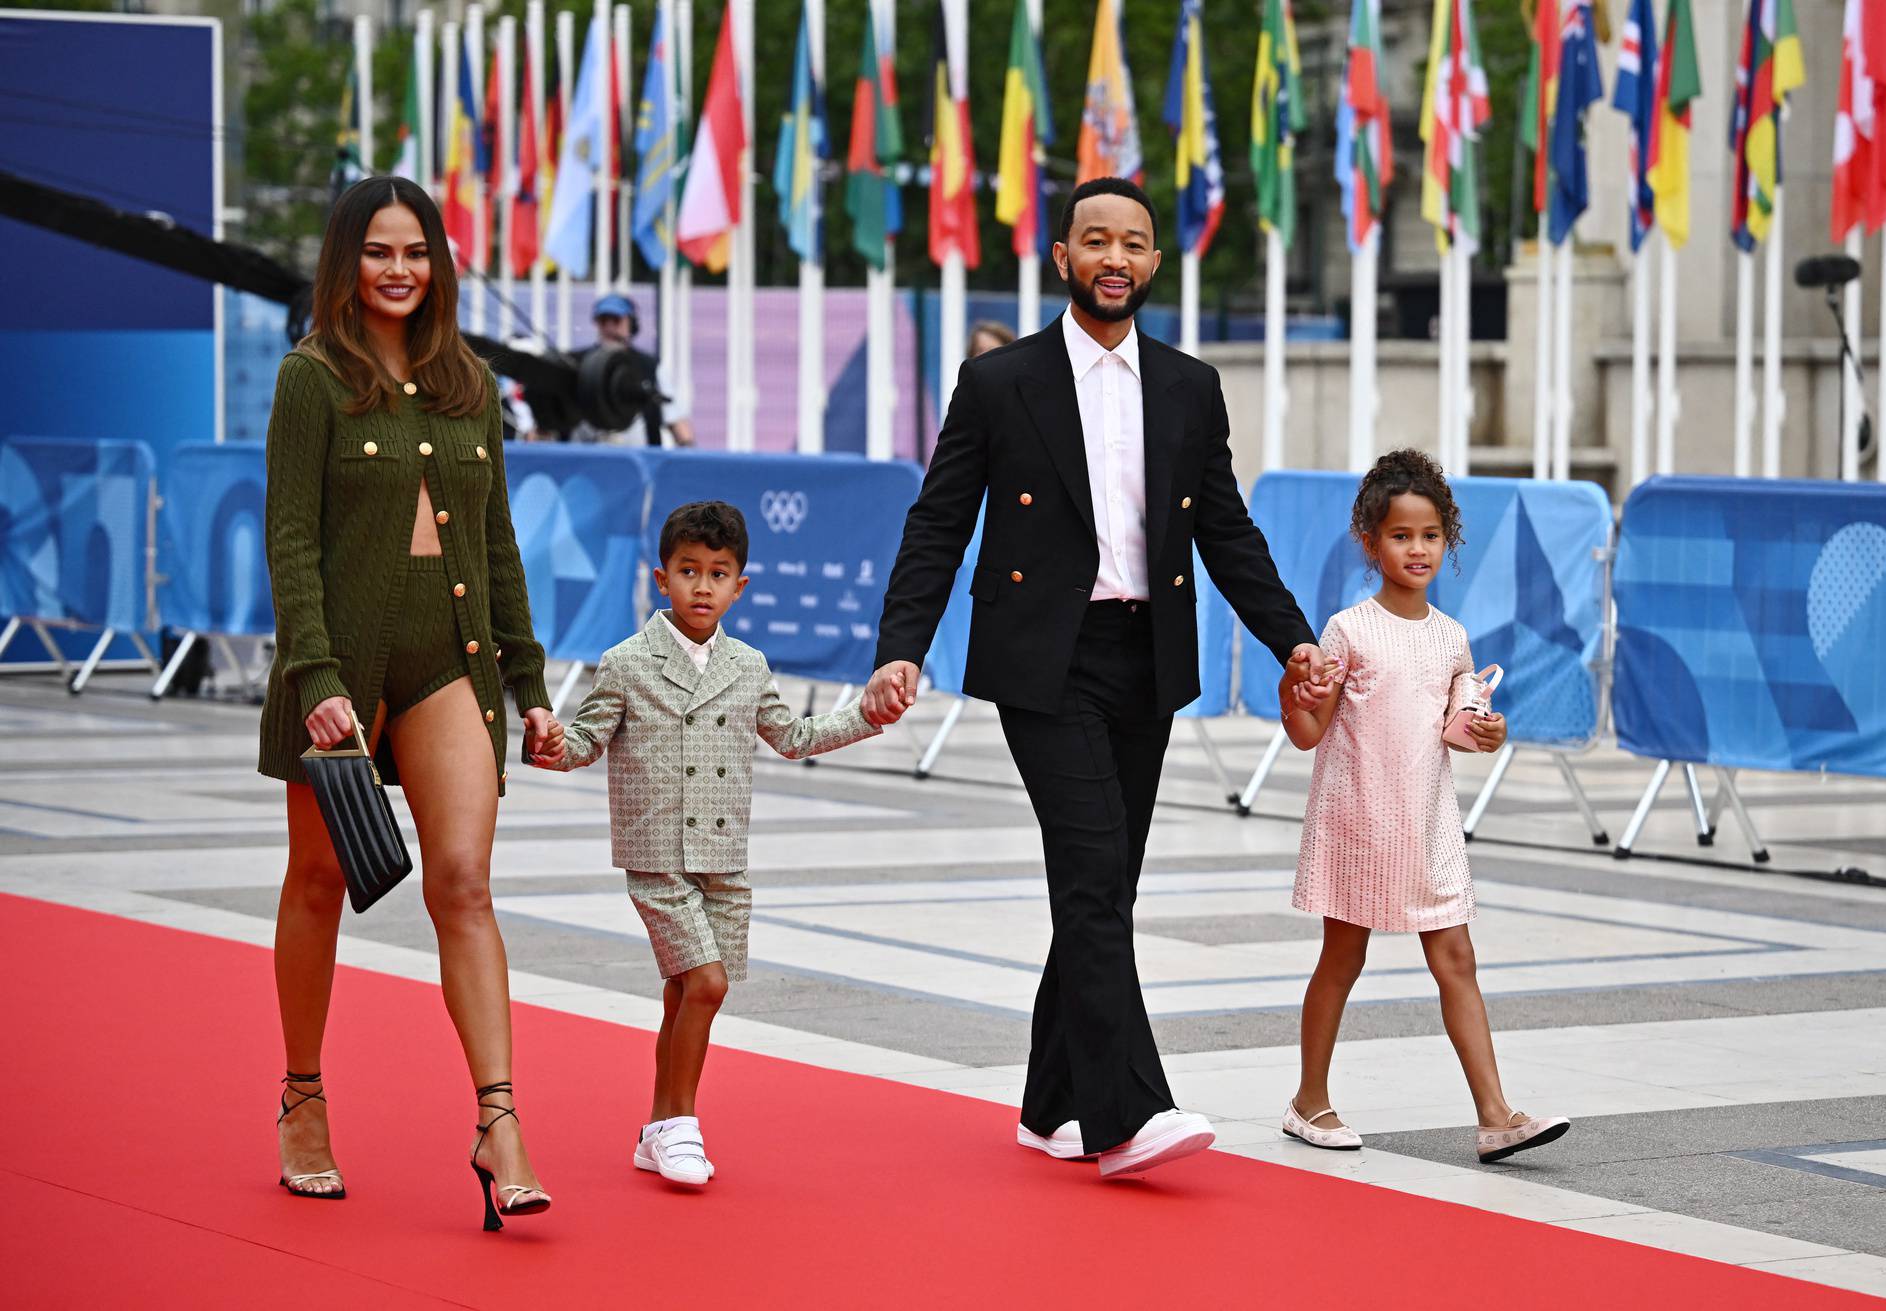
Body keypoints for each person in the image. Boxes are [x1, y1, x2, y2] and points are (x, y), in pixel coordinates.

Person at [862, 177, 1336, 1179]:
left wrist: (1289, 637)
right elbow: (939, 519)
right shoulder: (1003, 384)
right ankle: (1127, 1113)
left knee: (1103, 885)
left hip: (1146, 658)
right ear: (1064, 257)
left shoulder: (1188, 386)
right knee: (1089, 876)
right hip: (1045, 659)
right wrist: (901, 644)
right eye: (1095, 240)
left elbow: (1227, 529)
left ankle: (1048, 1104)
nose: (1114, 258)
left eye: (1133, 242)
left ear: (1155, 263)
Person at [259, 175, 565, 1229]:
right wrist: (316, 677)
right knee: (316, 881)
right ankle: (303, 1096)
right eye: (380, 252)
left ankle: (499, 1122)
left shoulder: (467, 381)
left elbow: (498, 544)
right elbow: (291, 537)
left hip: (451, 664)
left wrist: (526, 686)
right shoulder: (311, 380)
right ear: (346, 263)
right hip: (339, 671)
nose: (400, 270)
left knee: (466, 886)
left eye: (418, 253)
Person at [536, 501, 884, 1187]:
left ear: (740, 587)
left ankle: (655, 1128)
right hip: (658, 855)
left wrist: (867, 713)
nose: (702, 586)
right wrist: (550, 743)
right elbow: (584, 740)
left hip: (724, 860)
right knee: (707, 981)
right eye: (688, 570)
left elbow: (795, 737)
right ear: (660, 577)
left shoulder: (749, 666)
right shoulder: (627, 662)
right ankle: (680, 1125)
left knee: (681, 992)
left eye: (718, 573)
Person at [1278, 449, 1570, 1163]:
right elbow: (1310, 733)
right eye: (1402, 535)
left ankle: (1496, 1115)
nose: (1418, 548)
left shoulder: (1452, 639)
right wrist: (1295, 696)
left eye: (1431, 534)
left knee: (1458, 957)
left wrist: (1489, 734)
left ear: (1449, 540)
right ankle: (1308, 1100)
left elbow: (1457, 730)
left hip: (1430, 824)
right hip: (1359, 821)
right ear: (1371, 541)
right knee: (1341, 958)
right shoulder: (1347, 631)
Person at [574, 293, 691, 446]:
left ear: (631, 324)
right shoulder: (576, 363)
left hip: (637, 463)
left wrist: (690, 458)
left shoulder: (650, 367)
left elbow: (676, 422)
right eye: (603, 321)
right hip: (585, 462)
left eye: (616, 321)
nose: (609, 328)